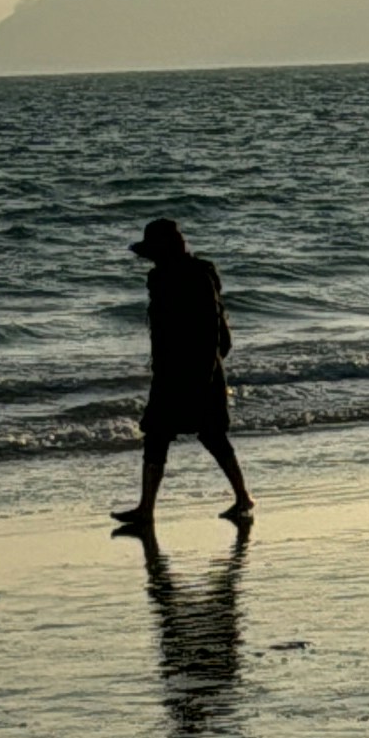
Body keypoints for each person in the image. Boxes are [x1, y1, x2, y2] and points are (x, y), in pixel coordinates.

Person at [111, 215, 253, 534]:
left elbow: (210, 328)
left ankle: (242, 497)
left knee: (206, 434)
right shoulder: (174, 275)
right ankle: (146, 509)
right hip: (176, 370)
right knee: (163, 435)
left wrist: (205, 371)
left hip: (195, 370)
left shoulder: (191, 277)